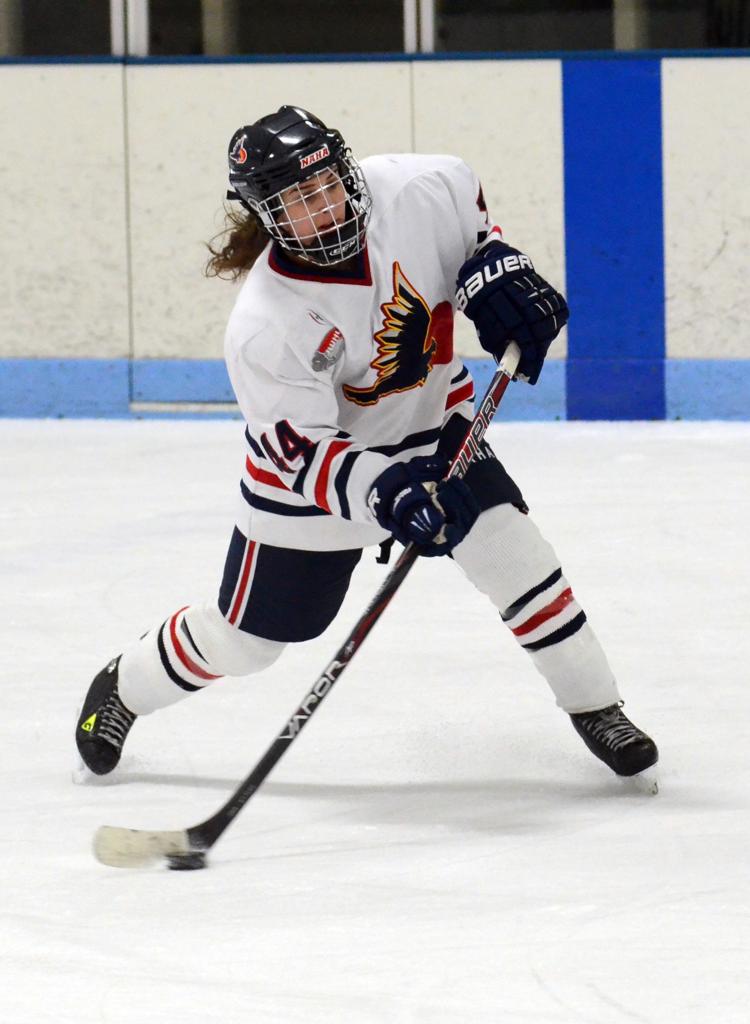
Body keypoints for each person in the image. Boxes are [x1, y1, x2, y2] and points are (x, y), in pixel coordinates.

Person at [75, 105, 658, 787]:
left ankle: (597, 707)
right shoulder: (266, 324)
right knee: (250, 641)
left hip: (436, 428)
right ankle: (125, 686)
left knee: (519, 561)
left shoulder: (424, 187)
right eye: (300, 201)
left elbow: (478, 235)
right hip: (317, 481)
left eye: (328, 184)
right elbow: (303, 452)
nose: (325, 207)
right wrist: (386, 494)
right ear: (266, 216)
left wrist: (501, 273)